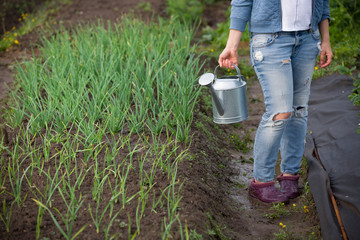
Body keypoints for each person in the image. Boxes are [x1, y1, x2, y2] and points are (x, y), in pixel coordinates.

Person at [218, 0, 332, 204]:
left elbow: (322, 3)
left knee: (298, 110)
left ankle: (290, 175)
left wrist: (325, 40)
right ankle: (261, 181)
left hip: (307, 39)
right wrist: (231, 46)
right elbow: (242, 2)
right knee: (280, 112)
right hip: (270, 41)